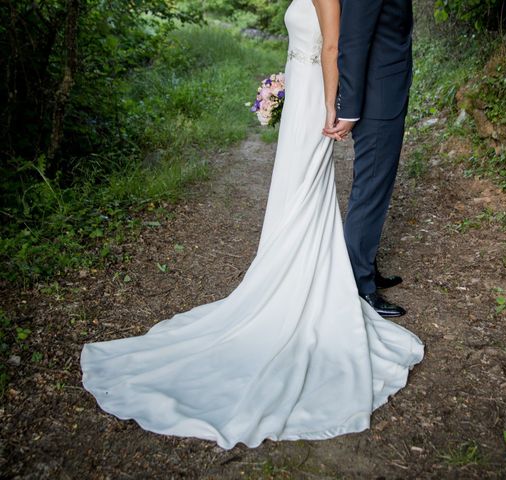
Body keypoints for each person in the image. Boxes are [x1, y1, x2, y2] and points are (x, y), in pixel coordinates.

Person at [80, 0, 423, 450]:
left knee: (304, 195)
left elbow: (332, 43)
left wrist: (320, 98)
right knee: (301, 193)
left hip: (312, 95)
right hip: (313, 96)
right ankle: (322, 278)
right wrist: (330, 101)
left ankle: (330, 271)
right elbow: (335, 43)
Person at [324, 0, 414, 318]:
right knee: (370, 189)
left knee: (377, 187)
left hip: (388, 92)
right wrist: (349, 107)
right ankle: (359, 286)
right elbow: (352, 39)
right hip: (376, 100)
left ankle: (365, 266)